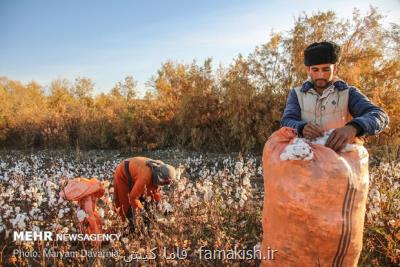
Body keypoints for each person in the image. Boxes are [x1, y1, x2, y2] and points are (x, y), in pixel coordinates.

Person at [281, 41, 389, 150]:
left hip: (340, 161)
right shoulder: (297, 93)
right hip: (307, 160)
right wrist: (301, 127)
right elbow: (287, 121)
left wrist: (354, 128)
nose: (321, 75)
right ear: (308, 70)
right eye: (315, 69)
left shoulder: (348, 92)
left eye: (326, 69)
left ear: (335, 68)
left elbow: (379, 115)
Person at [113, 156, 175, 231]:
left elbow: (155, 191)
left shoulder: (162, 170)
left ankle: (146, 226)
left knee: (149, 202)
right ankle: (126, 229)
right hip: (123, 175)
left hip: (137, 173)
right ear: (158, 176)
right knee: (126, 208)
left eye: (165, 184)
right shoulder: (145, 177)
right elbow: (133, 197)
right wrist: (142, 211)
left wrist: (159, 203)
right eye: (162, 183)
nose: (162, 185)